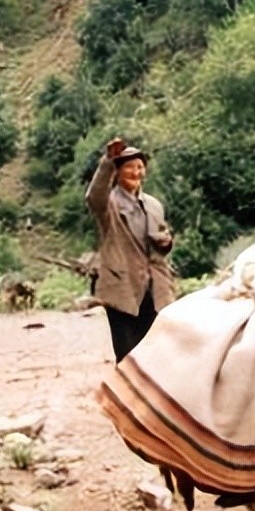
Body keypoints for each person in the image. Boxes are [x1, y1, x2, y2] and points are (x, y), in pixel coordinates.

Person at [86, 137, 176, 362]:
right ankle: (128, 395)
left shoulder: (154, 205)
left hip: (155, 289)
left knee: (158, 352)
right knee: (128, 355)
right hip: (123, 286)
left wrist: (166, 243)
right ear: (117, 172)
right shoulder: (109, 203)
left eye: (139, 167)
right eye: (128, 167)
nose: (135, 172)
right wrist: (107, 161)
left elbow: (160, 243)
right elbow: (94, 196)